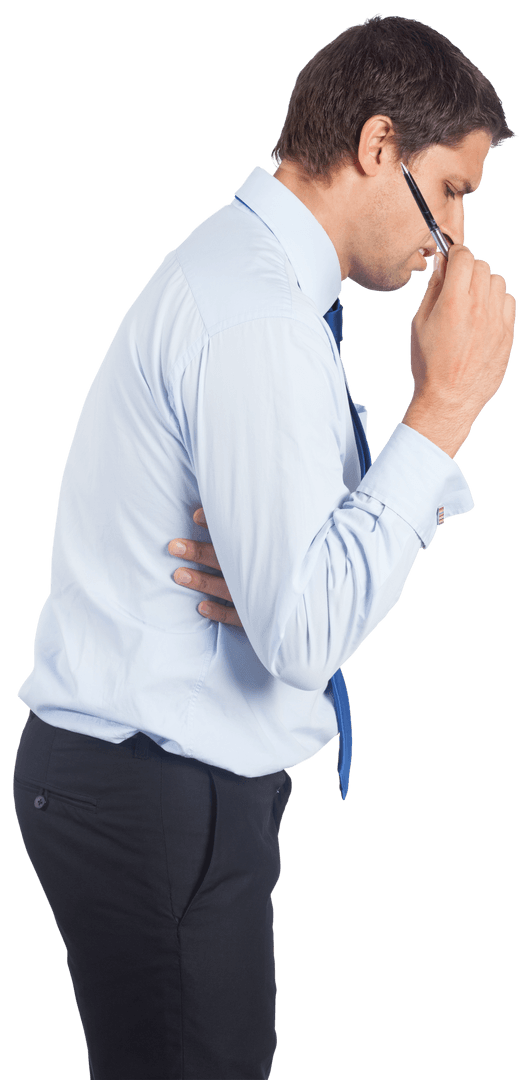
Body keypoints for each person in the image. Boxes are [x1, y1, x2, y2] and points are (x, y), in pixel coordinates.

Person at [13, 14, 516, 1080]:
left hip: (156, 788)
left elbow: (300, 588)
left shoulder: (265, 288)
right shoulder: (260, 318)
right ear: (378, 146)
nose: (453, 241)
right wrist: (443, 411)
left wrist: (301, 555)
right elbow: (305, 631)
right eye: (455, 189)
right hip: (155, 793)